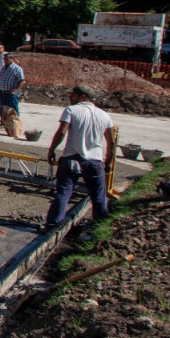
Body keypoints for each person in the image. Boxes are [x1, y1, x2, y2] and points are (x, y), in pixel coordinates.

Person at [43, 85, 116, 232]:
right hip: (95, 161)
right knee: (99, 197)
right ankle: (100, 229)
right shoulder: (104, 115)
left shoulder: (71, 110)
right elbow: (112, 142)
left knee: (63, 194)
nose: (70, 97)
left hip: (71, 159)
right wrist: (107, 163)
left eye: (73, 95)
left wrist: (51, 150)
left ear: (82, 96)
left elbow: (62, 131)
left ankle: (52, 227)